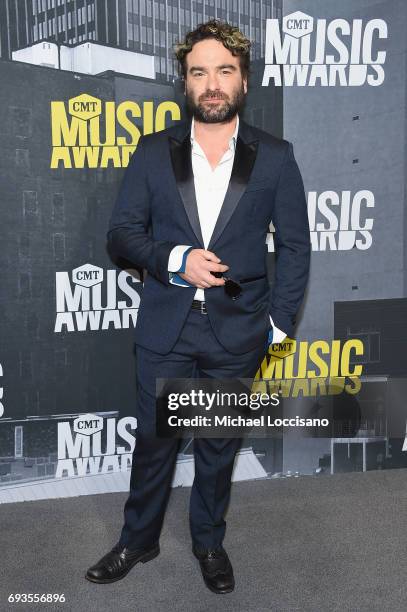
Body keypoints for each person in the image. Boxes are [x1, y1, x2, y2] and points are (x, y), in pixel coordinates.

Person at [85, 19, 310, 594]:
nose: (212, 84)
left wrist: (279, 325)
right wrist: (176, 258)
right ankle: (138, 539)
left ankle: (209, 542)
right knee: (155, 442)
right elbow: (122, 234)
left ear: (243, 81)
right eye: (199, 72)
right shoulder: (153, 152)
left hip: (238, 333)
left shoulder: (277, 157)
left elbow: (294, 246)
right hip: (167, 328)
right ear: (184, 82)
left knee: (217, 449)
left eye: (224, 71)